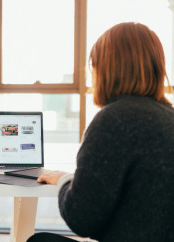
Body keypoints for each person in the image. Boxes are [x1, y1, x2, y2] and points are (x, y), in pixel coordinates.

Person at [28, 22, 174, 241]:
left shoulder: (114, 119)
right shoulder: (169, 116)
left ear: (106, 69)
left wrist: (65, 181)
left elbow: (82, 219)